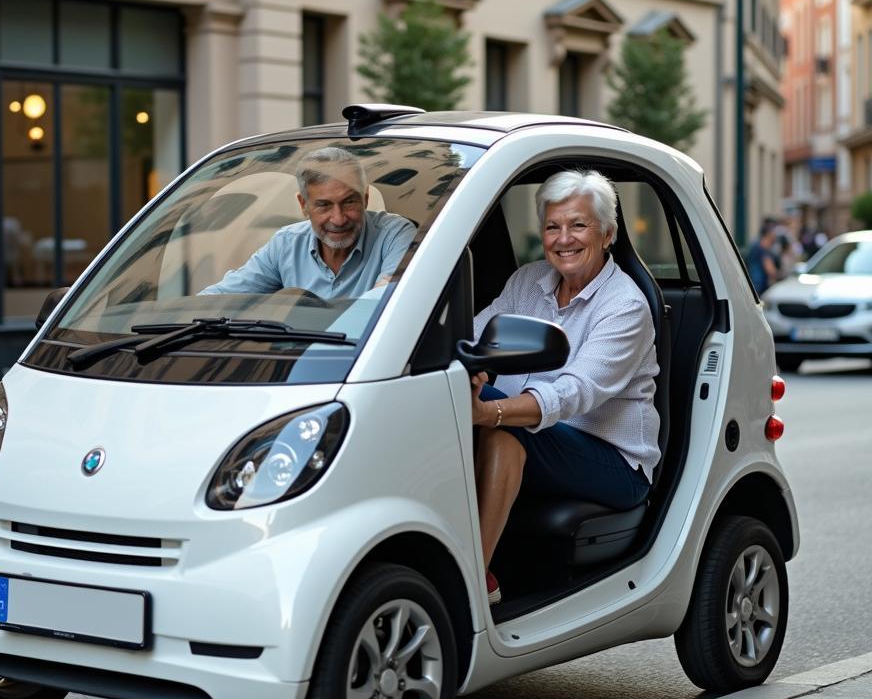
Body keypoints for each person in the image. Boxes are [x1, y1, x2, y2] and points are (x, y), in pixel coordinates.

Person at [469, 170, 661, 605]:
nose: (563, 238)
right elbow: (477, 336)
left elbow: (578, 392)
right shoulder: (527, 282)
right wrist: (463, 366)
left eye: (578, 225)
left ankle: (468, 577)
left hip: (613, 460)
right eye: (553, 226)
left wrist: (490, 411)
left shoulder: (625, 305)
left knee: (503, 421)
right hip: (534, 441)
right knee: (499, 430)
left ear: (607, 233)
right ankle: (472, 572)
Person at [200, 147, 416, 298]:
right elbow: (222, 296)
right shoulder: (286, 244)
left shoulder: (395, 235)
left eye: (349, 202)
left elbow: (387, 303)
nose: (338, 219)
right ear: (303, 205)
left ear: (366, 199)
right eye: (324, 205)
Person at [746, 219, 780, 295]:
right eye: (774, 232)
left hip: (754, 286)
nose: (776, 235)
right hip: (758, 288)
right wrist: (781, 275)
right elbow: (770, 270)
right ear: (768, 234)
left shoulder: (756, 245)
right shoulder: (762, 249)